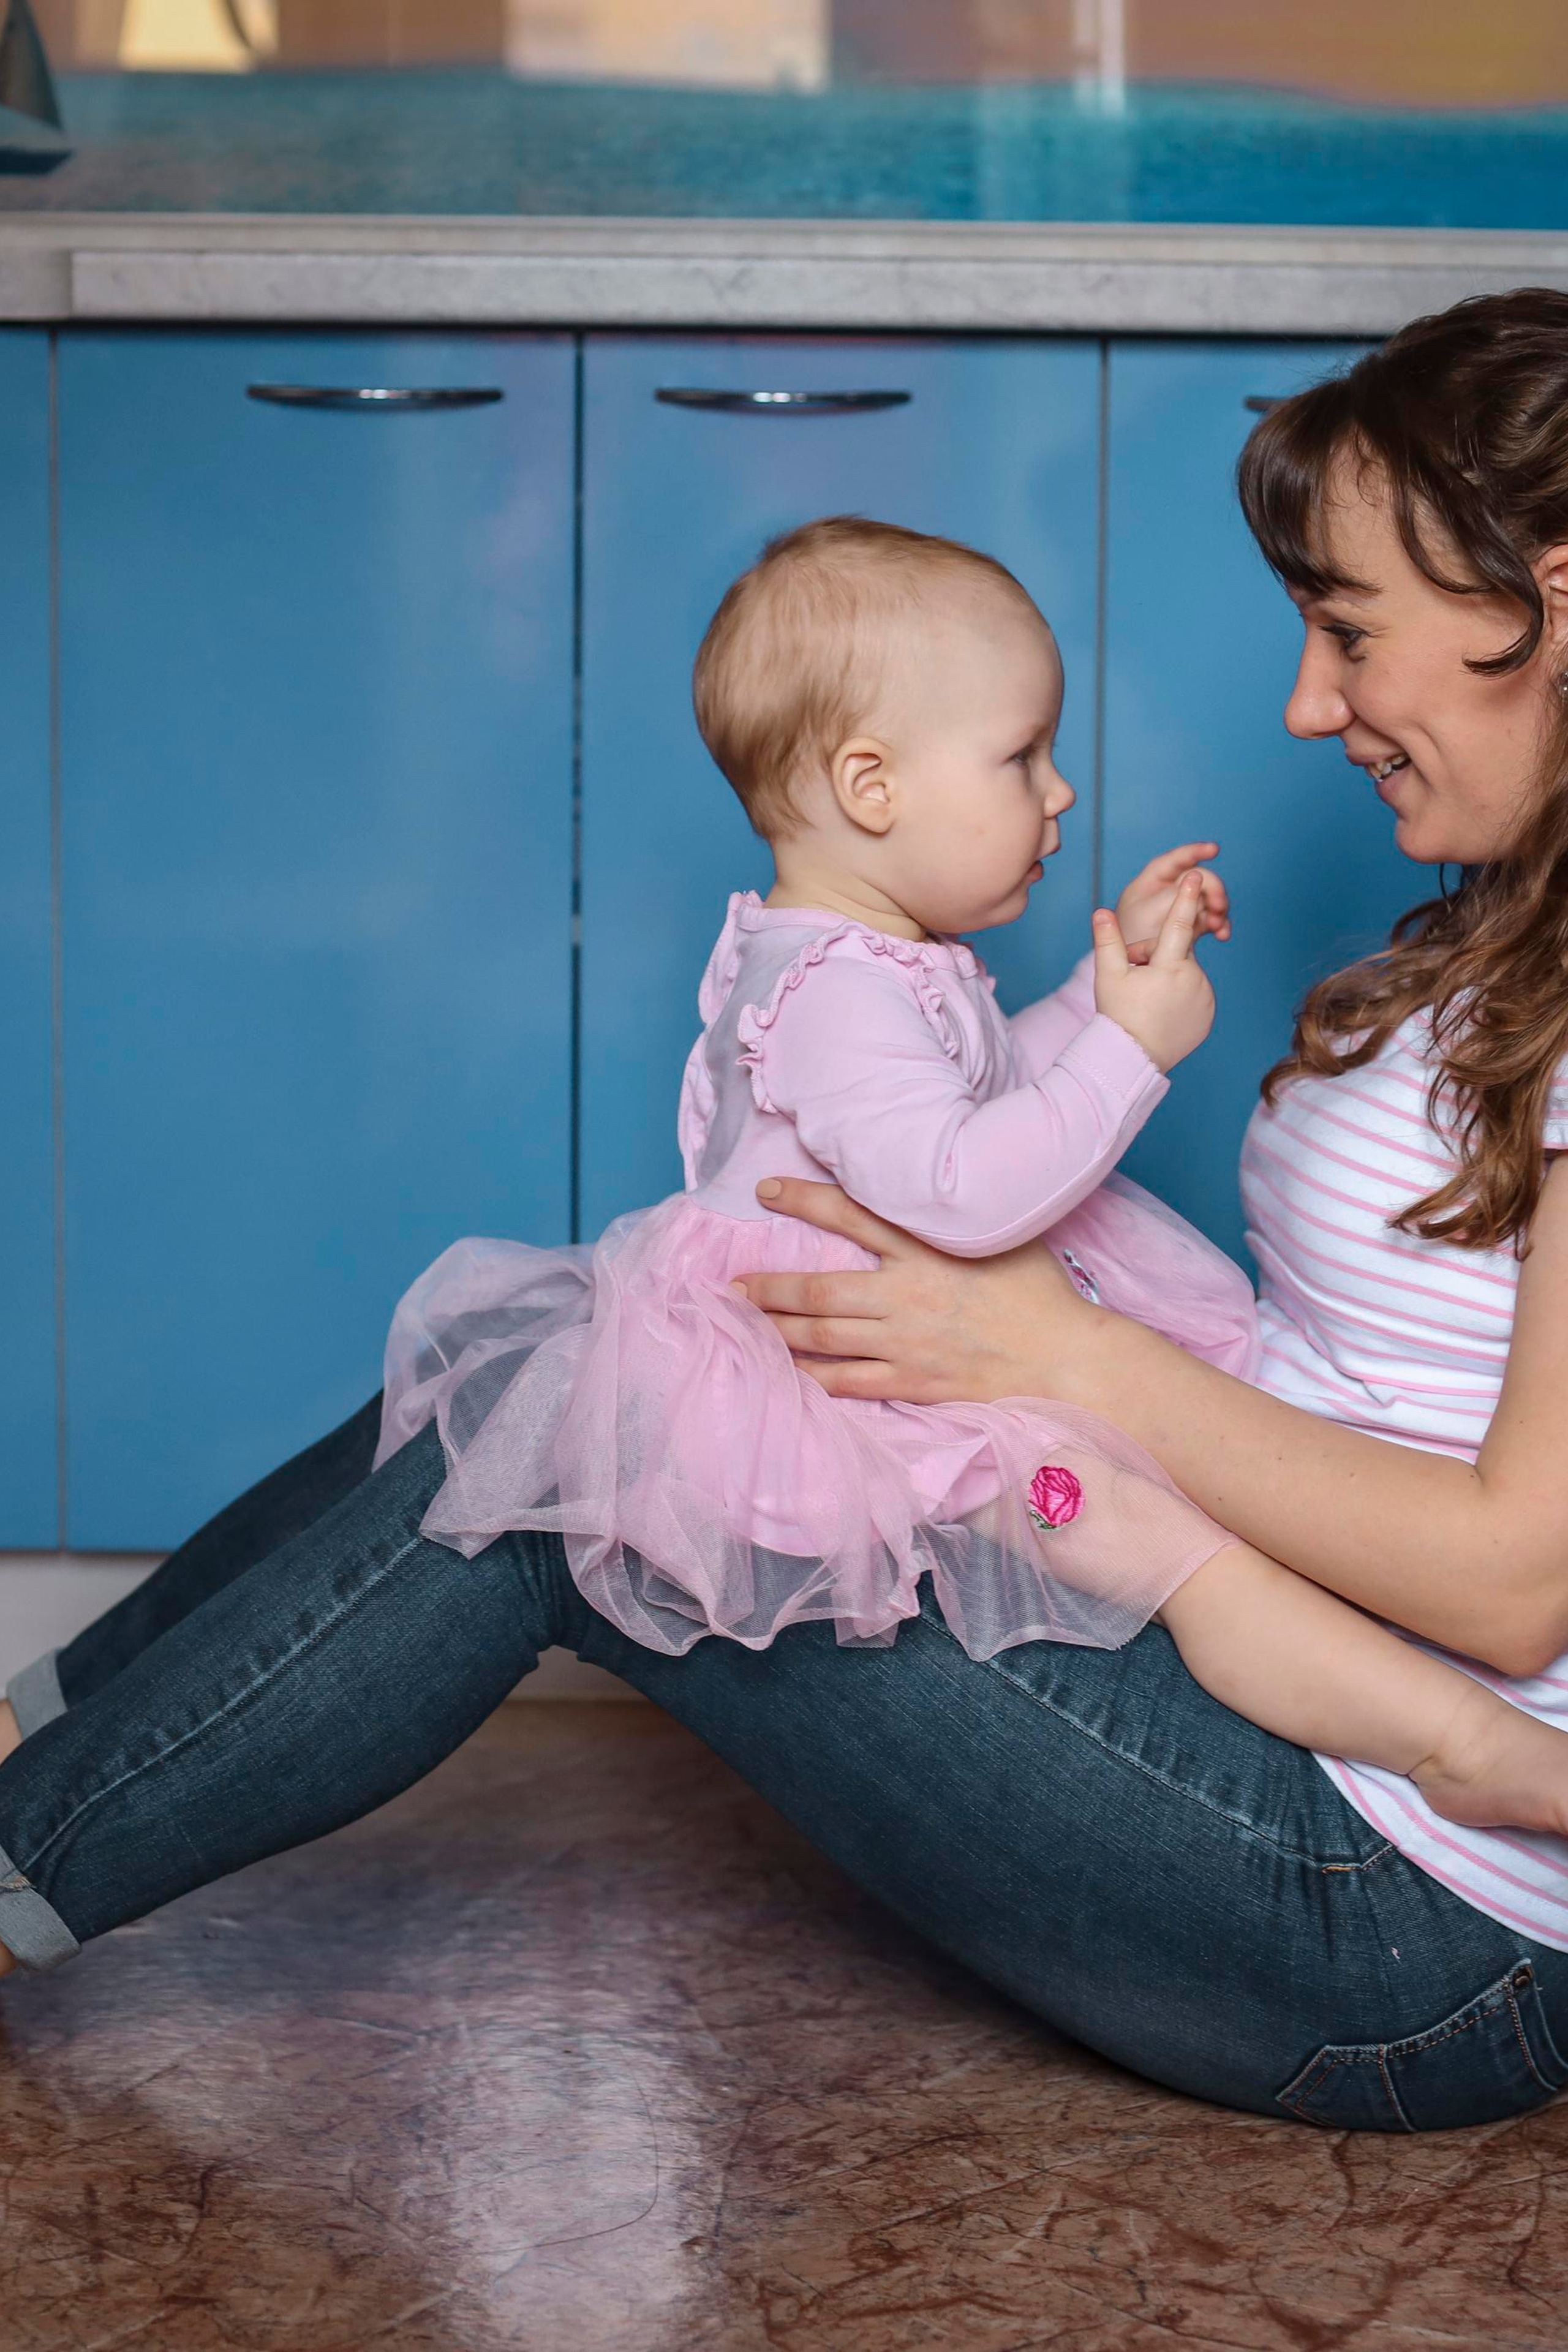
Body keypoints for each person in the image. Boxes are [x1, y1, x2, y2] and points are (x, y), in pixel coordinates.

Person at [4, 288, 1568, 2135]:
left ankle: (28, 1844)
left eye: (1347, 630)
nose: (1310, 705)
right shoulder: (1497, 940)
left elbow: (1514, 1575)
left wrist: (1056, 1349)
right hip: (1283, 1663)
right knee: (565, 1343)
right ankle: (40, 1721)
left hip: (1406, 1919)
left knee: (571, 1474)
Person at [375, 514, 1568, 1829]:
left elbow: (978, 1091)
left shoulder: (857, 959)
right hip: (869, 1395)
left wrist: (1096, 998)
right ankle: (1453, 1742)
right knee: (1180, 1562)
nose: (1058, 791)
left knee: (1176, 1555)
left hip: (917, 1361)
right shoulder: (833, 985)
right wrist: (1127, 1051)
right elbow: (966, 1190)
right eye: (1019, 757)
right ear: (872, 788)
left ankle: (1452, 1736)